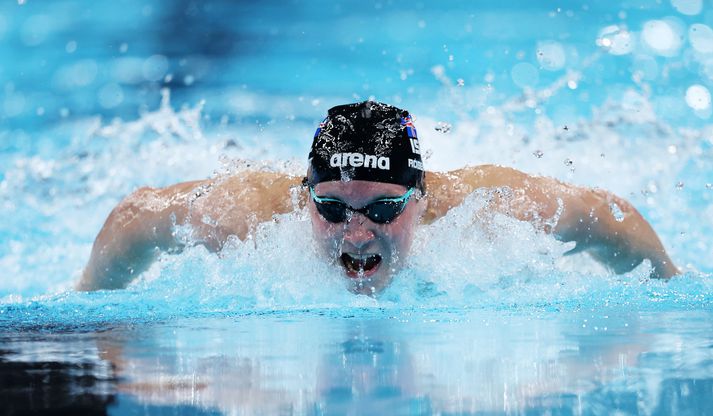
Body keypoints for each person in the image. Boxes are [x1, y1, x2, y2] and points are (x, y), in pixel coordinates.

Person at [77, 101, 679, 294]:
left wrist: (677, 291)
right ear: (303, 194)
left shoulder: (491, 211)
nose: (357, 233)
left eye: (384, 209)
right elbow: (134, 219)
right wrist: (91, 319)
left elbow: (605, 215)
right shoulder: (242, 218)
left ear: (422, 196)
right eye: (332, 207)